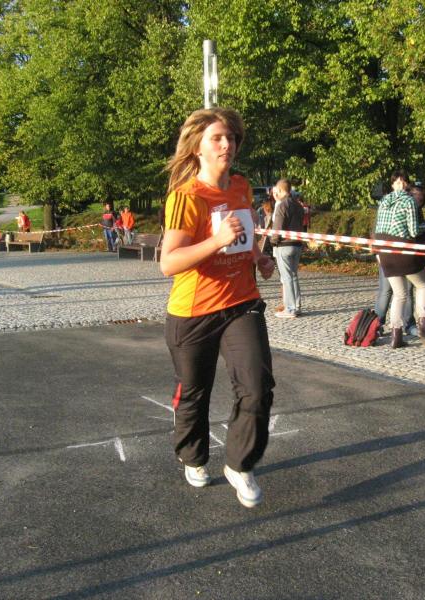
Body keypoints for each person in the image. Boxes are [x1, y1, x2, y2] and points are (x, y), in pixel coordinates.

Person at [159, 107, 276, 508]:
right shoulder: (186, 196)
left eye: (232, 138)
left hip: (241, 303)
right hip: (193, 312)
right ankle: (192, 456)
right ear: (198, 147)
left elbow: (244, 234)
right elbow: (168, 263)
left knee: (257, 385)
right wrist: (216, 241)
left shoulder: (241, 186)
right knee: (194, 393)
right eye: (217, 138)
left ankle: (240, 464)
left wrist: (258, 257)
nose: (227, 145)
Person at [373, 170, 425, 348]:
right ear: (406, 184)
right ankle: (423, 325)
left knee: (399, 295)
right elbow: (413, 231)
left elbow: (378, 228)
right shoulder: (409, 201)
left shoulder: (383, 201)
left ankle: (396, 337)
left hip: (385, 252)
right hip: (402, 251)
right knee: (422, 284)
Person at [271, 179, 305, 318]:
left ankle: (290, 309)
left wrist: (273, 241)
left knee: (286, 278)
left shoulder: (282, 205)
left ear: (280, 190)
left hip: (284, 245)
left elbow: (277, 228)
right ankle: (297, 306)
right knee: (294, 276)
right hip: (297, 244)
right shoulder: (298, 205)